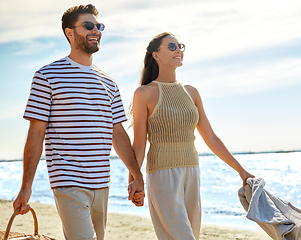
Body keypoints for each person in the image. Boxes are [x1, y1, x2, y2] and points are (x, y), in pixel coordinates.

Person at [13, 4, 144, 240]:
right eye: (88, 26)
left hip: (102, 182)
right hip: (68, 181)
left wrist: (136, 174)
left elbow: (118, 133)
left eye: (99, 26)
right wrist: (26, 186)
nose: (96, 30)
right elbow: (36, 133)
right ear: (69, 33)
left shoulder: (109, 82)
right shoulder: (47, 76)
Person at [129, 32, 255, 240]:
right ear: (155, 55)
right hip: (162, 174)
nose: (178, 50)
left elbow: (211, 138)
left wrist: (241, 171)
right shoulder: (143, 93)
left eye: (180, 46)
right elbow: (139, 144)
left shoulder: (191, 93)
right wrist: (135, 179)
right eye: (171, 46)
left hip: (192, 171)